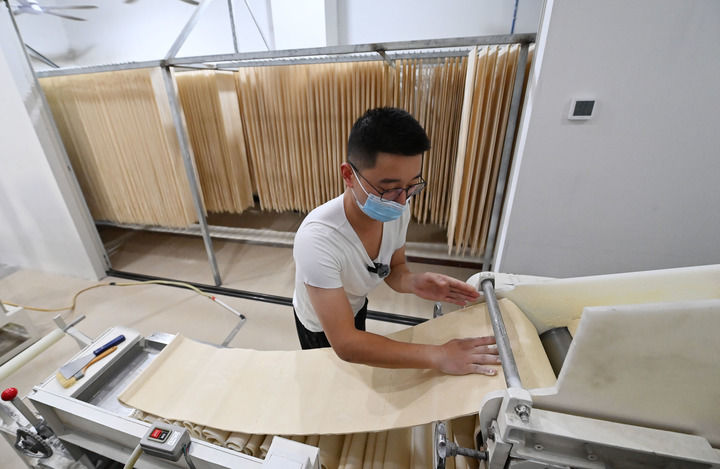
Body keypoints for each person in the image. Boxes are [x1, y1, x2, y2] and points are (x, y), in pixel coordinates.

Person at [292, 107, 499, 375]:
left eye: (411, 186)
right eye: (388, 188)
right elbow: (346, 343)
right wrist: (439, 355)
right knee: (329, 379)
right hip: (318, 324)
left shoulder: (398, 207)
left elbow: (394, 267)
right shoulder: (317, 240)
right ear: (348, 175)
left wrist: (414, 282)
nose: (401, 201)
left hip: (355, 303)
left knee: (359, 351)